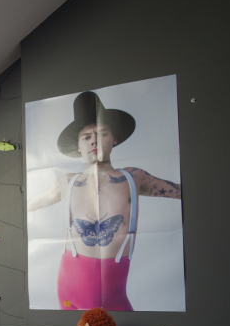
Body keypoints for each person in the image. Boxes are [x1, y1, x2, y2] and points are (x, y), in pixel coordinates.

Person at [27, 91, 181, 311]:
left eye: (102, 133)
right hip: (69, 285)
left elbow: (181, 191)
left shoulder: (133, 177)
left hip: (113, 288)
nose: (94, 140)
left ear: (114, 139)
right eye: (86, 137)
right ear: (78, 146)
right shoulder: (66, 182)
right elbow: (27, 206)